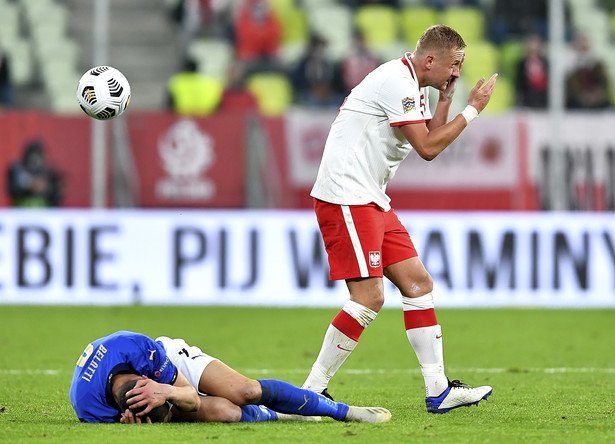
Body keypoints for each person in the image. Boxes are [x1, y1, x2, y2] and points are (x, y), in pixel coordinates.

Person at [302, 24, 497, 414]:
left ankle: (438, 390)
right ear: (430, 60)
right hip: (347, 196)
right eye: (453, 65)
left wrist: (447, 98)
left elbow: (429, 136)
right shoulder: (396, 81)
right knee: (369, 297)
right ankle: (313, 390)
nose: (456, 72)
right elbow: (426, 148)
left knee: (418, 283)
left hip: (370, 197)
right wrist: (473, 109)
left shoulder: (409, 82)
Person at [69, 330, 391, 424]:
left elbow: (189, 397)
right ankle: (278, 414)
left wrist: (166, 391)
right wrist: (132, 424)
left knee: (245, 392)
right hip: (156, 389)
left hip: (171, 362)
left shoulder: (136, 349)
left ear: (144, 381)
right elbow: (169, 413)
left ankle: (342, 411)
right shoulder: (89, 408)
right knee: (226, 412)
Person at [6, 140, 62, 207]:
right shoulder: (16, 169)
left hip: (44, 214)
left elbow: (57, 194)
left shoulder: (49, 171)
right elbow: (11, 189)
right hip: (20, 213)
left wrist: (46, 187)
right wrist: (29, 185)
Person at [565, 33, 611, 110]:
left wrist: (598, 94)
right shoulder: (570, 63)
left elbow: (604, 82)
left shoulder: (596, 61)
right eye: (580, 42)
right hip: (576, 101)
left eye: (585, 42)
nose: (583, 45)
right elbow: (570, 85)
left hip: (597, 100)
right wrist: (581, 96)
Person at [515, 34, 549, 108]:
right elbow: (519, 81)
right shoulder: (522, 63)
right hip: (528, 98)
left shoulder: (544, 61)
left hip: (543, 98)